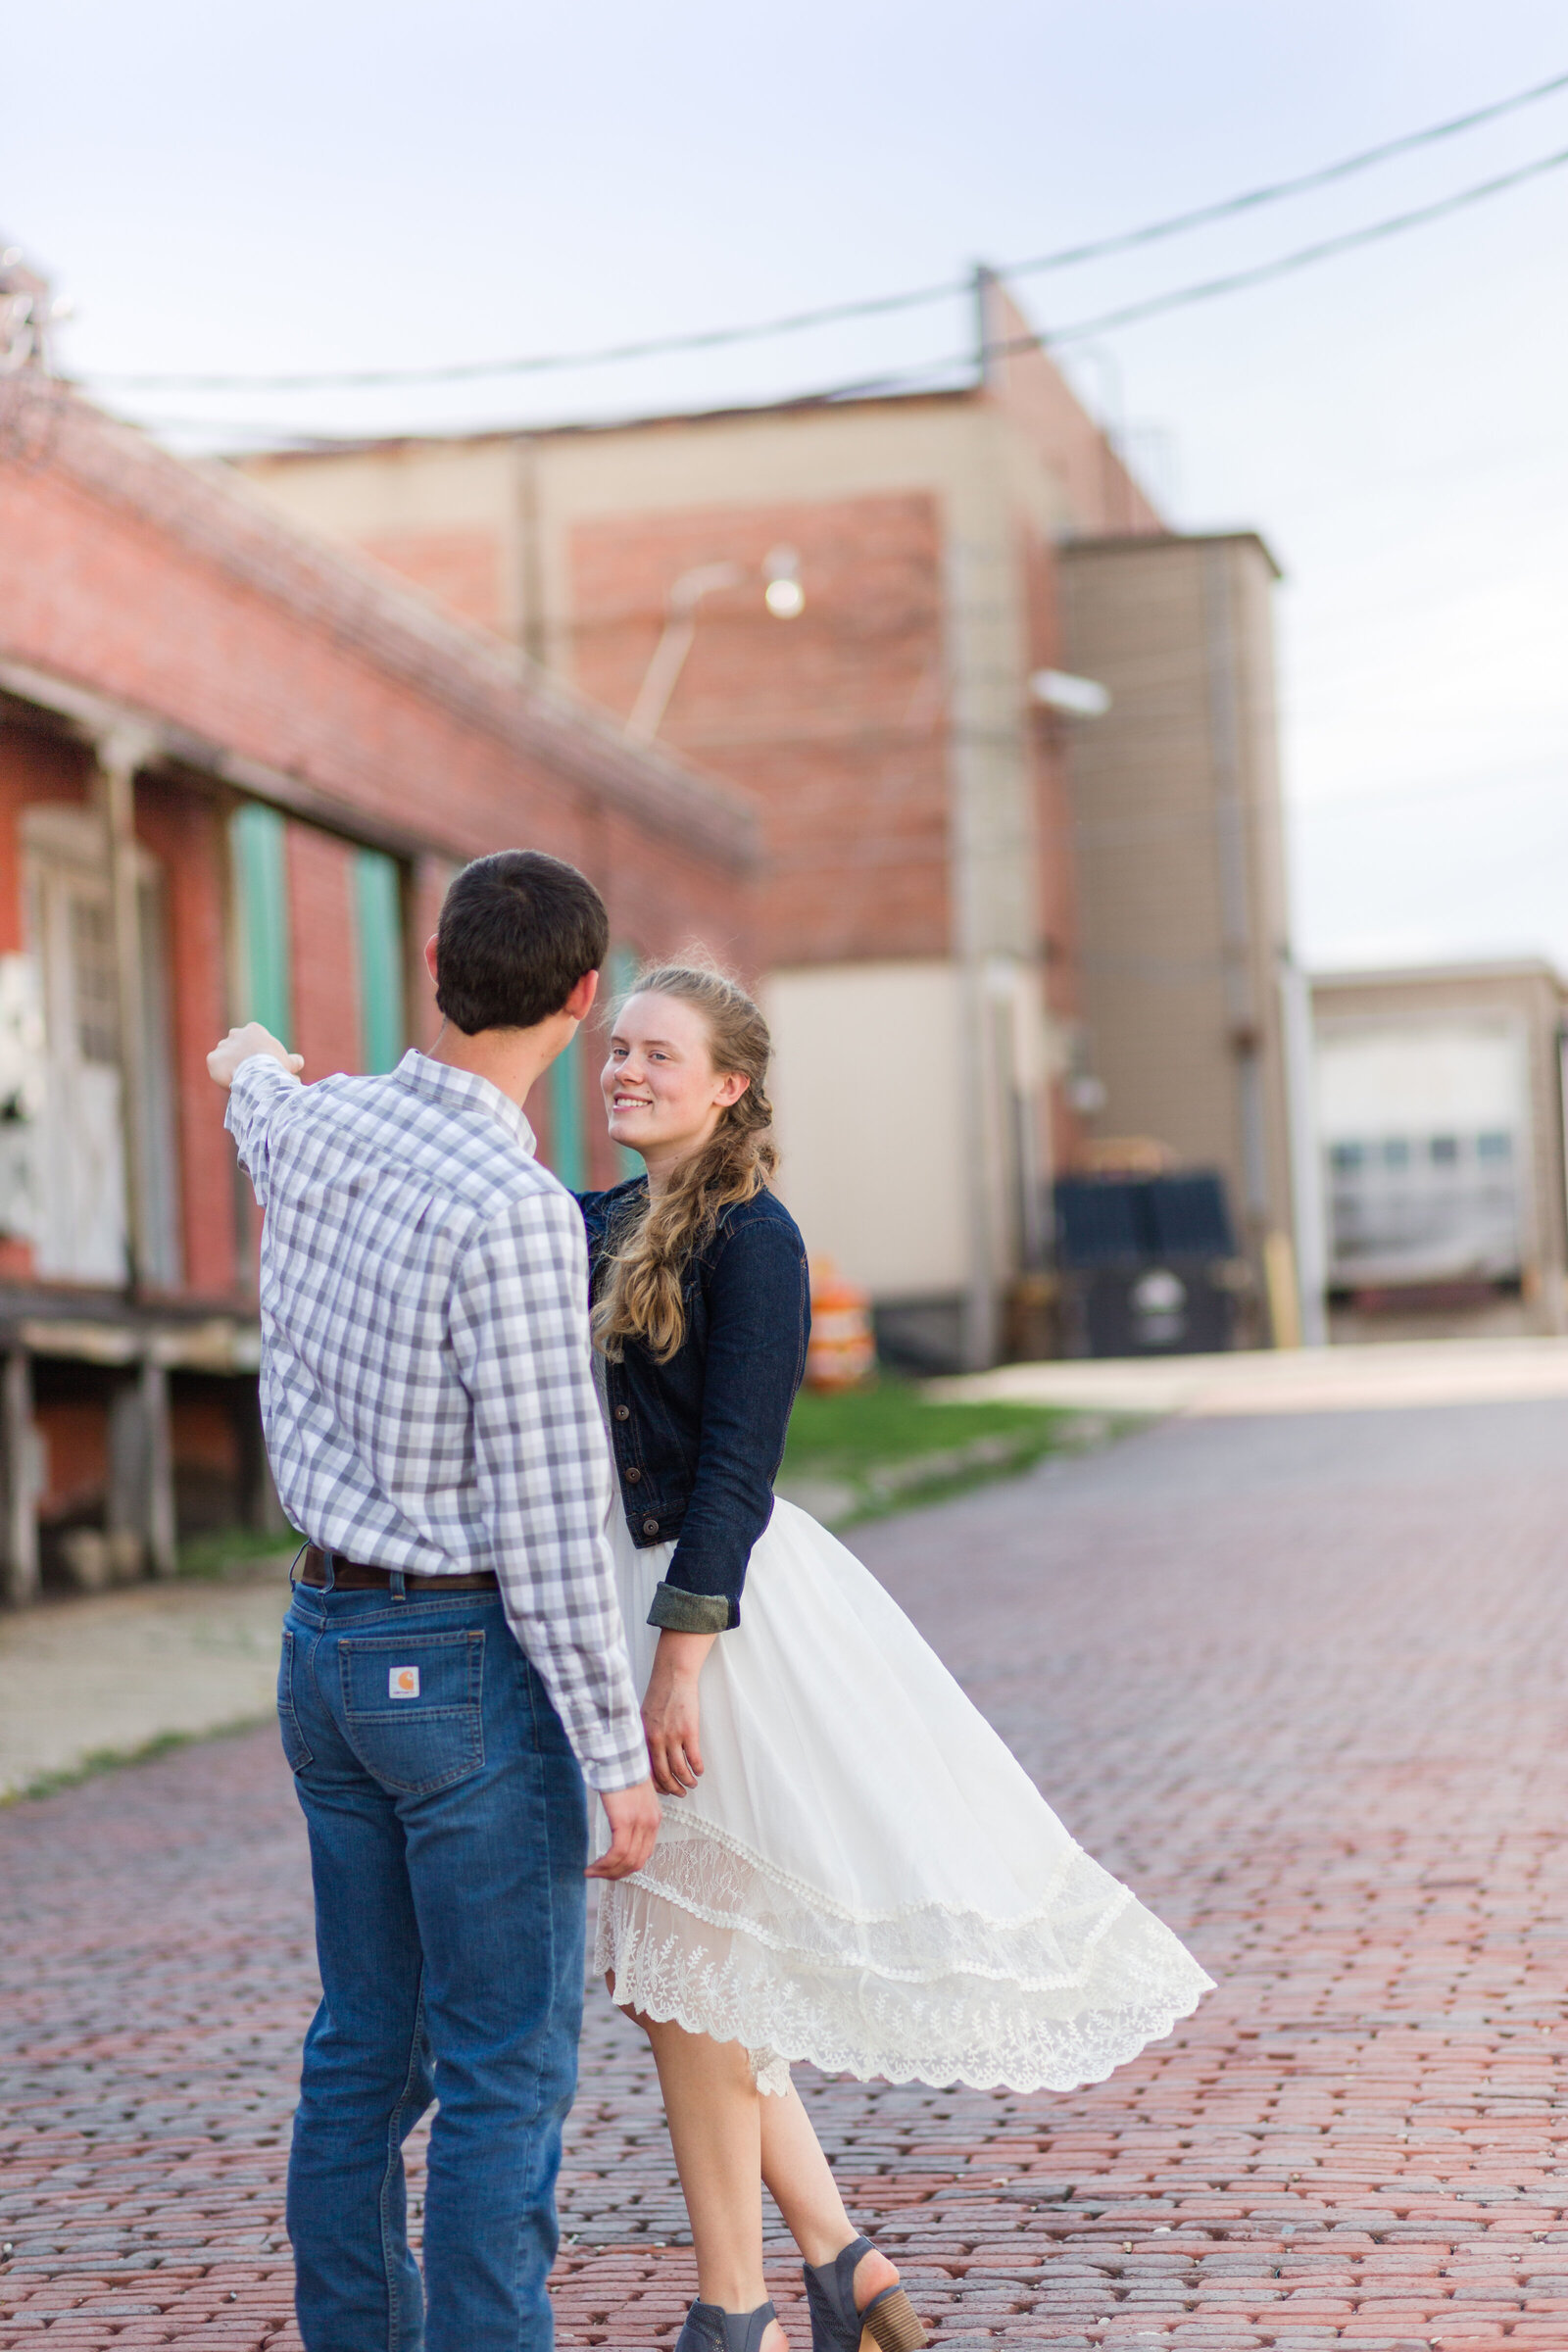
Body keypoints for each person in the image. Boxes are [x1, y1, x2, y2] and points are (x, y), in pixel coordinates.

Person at [576, 962, 1215, 2352]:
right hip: (618, 1604)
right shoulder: (595, 1221)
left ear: (729, 1083)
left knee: (693, 1976)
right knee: (678, 1972)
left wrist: (679, 1665)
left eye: (658, 1053)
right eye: (616, 1046)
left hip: (713, 1613)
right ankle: (842, 2265)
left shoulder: (757, 1238)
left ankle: (731, 2314)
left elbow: (738, 1471)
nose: (624, 1069)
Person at [209, 850, 661, 2352]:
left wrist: (256, 1055)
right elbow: (544, 1516)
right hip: (459, 1667)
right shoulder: (517, 1212)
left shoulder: (317, 1132)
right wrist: (613, 1754)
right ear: (585, 1001)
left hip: (323, 1651)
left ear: (437, 973)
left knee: (360, 2053)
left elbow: (254, 1093)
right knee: (502, 2069)